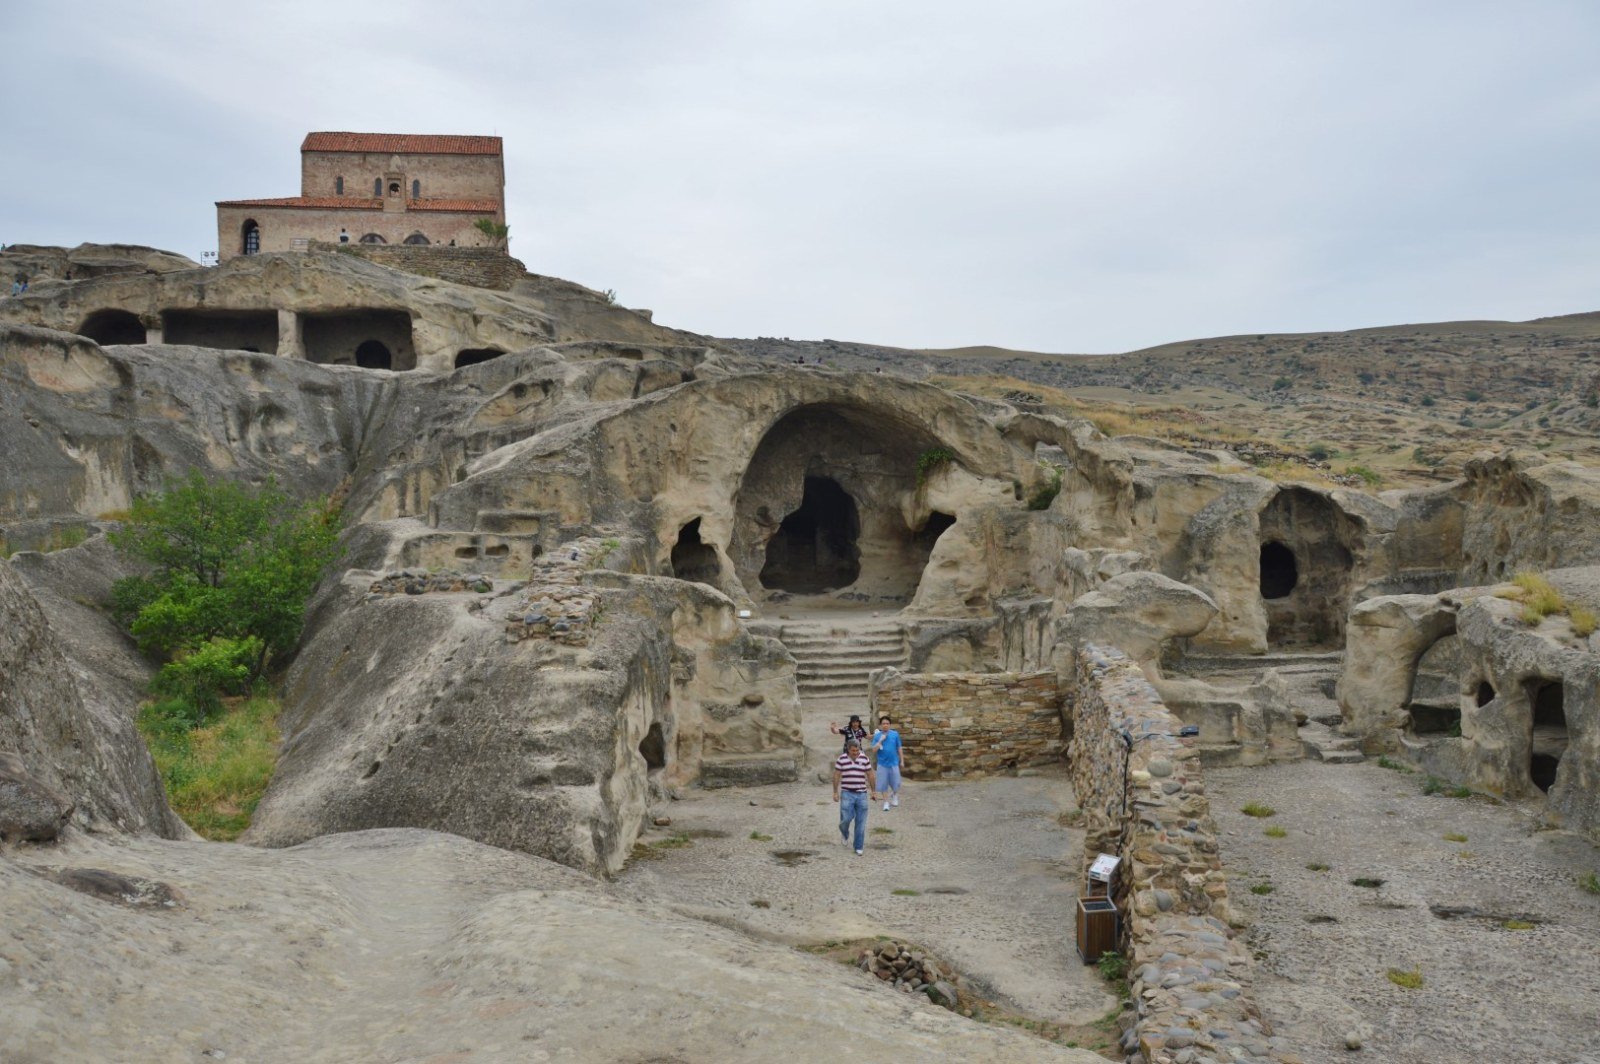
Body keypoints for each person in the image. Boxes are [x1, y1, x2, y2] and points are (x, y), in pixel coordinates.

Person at [833, 737, 876, 855]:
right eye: (853, 751)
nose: (856, 753)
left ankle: (858, 846)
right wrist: (835, 792)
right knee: (845, 819)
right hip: (847, 793)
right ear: (848, 749)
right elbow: (836, 775)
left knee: (861, 822)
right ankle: (845, 833)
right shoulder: (841, 759)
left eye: (857, 751)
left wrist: (873, 791)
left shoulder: (864, 758)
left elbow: (870, 775)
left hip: (862, 794)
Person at [870, 714, 903, 811]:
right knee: (883, 784)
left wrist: (902, 760)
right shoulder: (877, 736)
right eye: (883, 723)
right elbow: (874, 750)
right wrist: (880, 740)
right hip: (882, 764)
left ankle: (894, 795)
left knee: (896, 783)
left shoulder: (895, 734)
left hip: (894, 763)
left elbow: (899, 747)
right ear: (880, 725)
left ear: (890, 725)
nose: (885, 725)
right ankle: (886, 802)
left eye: (887, 723)